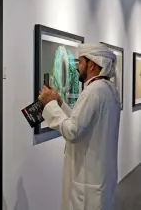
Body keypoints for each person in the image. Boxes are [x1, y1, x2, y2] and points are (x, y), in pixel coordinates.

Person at [38, 43, 121, 210]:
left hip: (88, 182)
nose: (77, 68)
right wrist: (60, 103)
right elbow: (81, 122)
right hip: (99, 176)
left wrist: (51, 104)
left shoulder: (93, 92)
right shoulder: (108, 89)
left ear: (91, 65)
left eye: (80, 62)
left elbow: (73, 131)